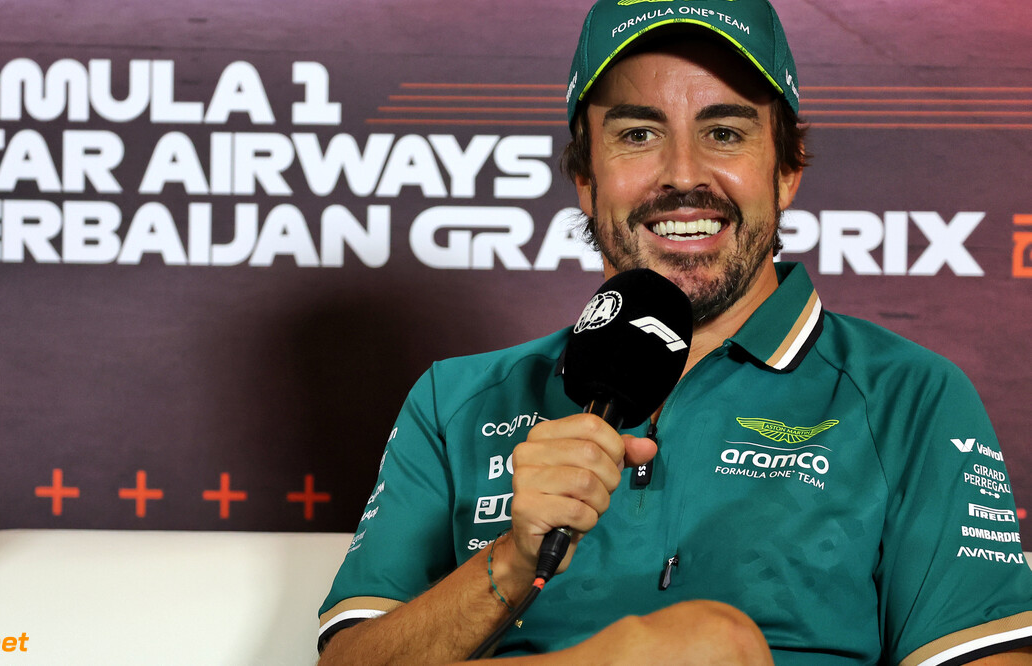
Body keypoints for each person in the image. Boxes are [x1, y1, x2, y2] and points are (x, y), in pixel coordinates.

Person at [317, 0, 1032, 663]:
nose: (684, 174)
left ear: (786, 170)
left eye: (724, 131)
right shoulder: (457, 400)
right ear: (584, 177)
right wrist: (513, 557)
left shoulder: (909, 396)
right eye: (637, 134)